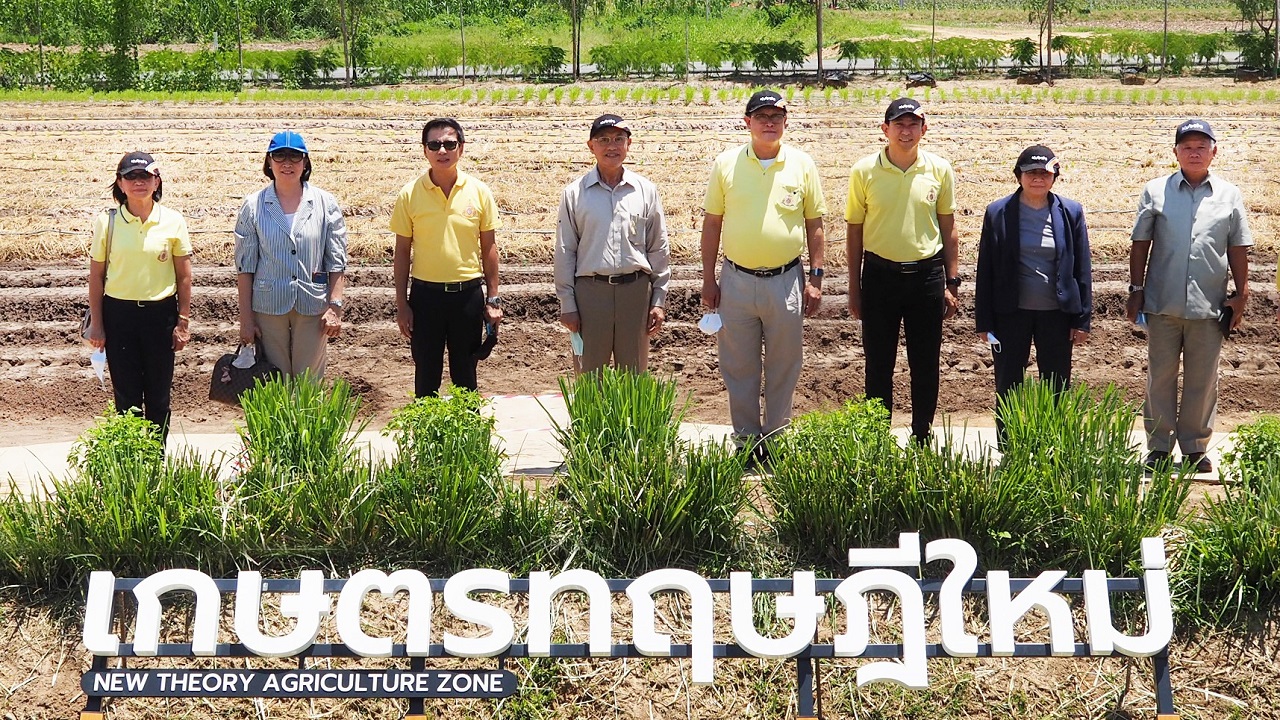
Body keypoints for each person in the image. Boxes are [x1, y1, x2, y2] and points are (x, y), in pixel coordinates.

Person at [700, 89, 827, 463]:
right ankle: (745, 442)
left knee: (784, 362)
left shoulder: (802, 165)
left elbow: (815, 223)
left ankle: (776, 439)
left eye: (776, 117)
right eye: (761, 116)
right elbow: (712, 224)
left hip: (786, 280)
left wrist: (816, 278)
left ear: (786, 122)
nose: (769, 123)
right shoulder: (726, 165)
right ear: (747, 123)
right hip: (736, 280)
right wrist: (709, 278)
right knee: (738, 364)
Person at [1127, 119, 1252, 474]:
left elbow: (1238, 246)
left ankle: (1195, 447)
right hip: (1162, 303)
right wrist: (1136, 290)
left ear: (1214, 151)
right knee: (1160, 377)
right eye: (1187, 147)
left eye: (1202, 146)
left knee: (1203, 378)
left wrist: (1241, 294)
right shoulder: (1155, 190)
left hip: (1210, 306)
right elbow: (1140, 243)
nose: (1194, 152)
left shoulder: (1229, 194)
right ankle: (1159, 448)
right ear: (1175, 152)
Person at [845, 97, 960, 446]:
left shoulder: (939, 169)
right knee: (878, 364)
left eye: (913, 124)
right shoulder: (864, 171)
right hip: (880, 277)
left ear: (924, 130)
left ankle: (922, 437)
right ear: (885, 130)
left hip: (926, 277)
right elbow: (854, 230)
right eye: (899, 124)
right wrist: (854, 287)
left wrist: (952, 281)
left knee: (925, 363)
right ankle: (876, 440)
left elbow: (949, 227)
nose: (906, 131)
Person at [974, 145, 1092, 443]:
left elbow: (1082, 267)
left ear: (1054, 177)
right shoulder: (997, 212)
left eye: (1044, 173)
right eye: (1030, 173)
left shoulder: (1071, 212)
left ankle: (1053, 442)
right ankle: (1009, 443)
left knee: (1056, 381)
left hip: (1057, 313)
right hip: (1010, 313)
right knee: (1008, 381)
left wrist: (1082, 320)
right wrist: (983, 321)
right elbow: (985, 267)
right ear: (1018, 176)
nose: (1037, 179)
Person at [84, 151, 193, 441]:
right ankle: (130, 461)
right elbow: (96, 276)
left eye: (145, 176)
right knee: (126, 396)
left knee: (158, 397)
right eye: (130, 177)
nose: (138, 182)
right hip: (119, 316)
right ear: (119, 184)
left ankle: (155, 461)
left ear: (157, 181)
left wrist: (183, 322)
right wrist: (97, 323)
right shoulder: (107, 223)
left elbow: (184, 276)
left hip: (161, 317)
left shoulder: (173, 221)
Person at [391, 118, 502, 398]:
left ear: (461, 148)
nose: (442, 150)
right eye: (434, 144)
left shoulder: (479, 192)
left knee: (466, 375)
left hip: (467, 297)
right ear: (424, 150)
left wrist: (493, 298)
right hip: (425, 299)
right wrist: (402, 304)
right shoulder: (409, 194)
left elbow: (489, 248)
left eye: (449, 144)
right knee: (426, 375)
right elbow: (402, 252)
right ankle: (428, 440)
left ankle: (469, 439)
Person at [555, 114, 671, 373]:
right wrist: (568, 304)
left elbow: (658, 248)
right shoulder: (575, 193)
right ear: (591, 146)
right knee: (589, 374)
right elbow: (565, 251)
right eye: (604, 140)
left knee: (634, 376)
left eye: (619, 139)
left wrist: (659, 299)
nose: (612, 146)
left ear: (629, 144)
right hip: (591, 292)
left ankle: (634, 417)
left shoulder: (645, 190)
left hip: (636, 291)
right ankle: (589, 416)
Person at [234, 131, 348, 377]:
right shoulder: (253, 206)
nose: (287, 163)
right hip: (268, 306)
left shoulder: (325, 203)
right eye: (279, 156)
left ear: (305, 162)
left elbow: (336, 261)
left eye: (295, 156)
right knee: (273, 380)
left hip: (312, 306)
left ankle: (308, 418)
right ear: (268, 162)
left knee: (310, 382)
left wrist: (334, 307)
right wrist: (246, 320)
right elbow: (245, 267)